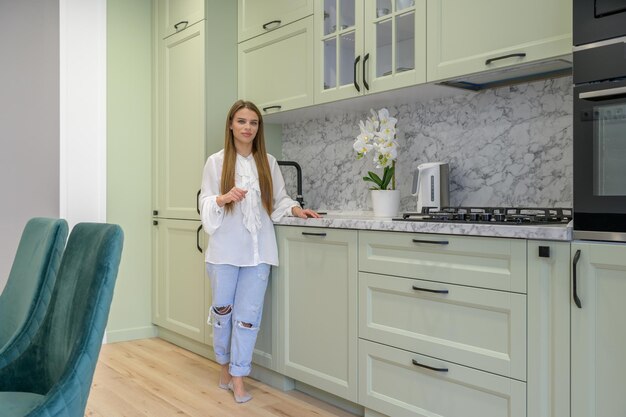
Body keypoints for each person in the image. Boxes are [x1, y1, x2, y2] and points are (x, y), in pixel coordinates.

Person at [199, 100, 320, 403]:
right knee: (224, 313)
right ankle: (224, 366)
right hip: (224, 252)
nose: (248, 128)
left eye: (253, 123)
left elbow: (278, 200)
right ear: (231, 125)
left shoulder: (268, 161)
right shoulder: (215, 162)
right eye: (242, 121)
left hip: (259, 253)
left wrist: (295, 209)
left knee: (248, 317)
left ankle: (239, 375)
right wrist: (223, 198)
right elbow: (206, 204)